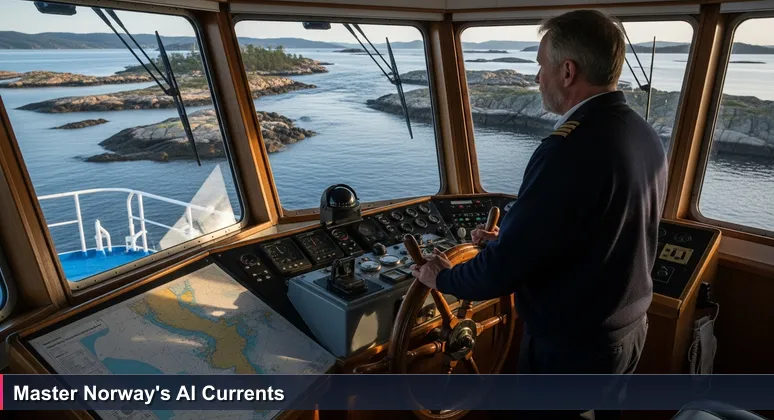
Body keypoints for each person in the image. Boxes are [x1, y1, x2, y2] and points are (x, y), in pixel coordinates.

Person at [410, 7, 667, 406]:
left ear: (567, 71)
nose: (536, 77)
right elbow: (594, 229)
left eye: (540, 66)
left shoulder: (567, 149)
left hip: (573, 353)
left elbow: (500, 272)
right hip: (628, 332)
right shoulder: (643, 132)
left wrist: (442, 278)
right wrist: (509, 237)